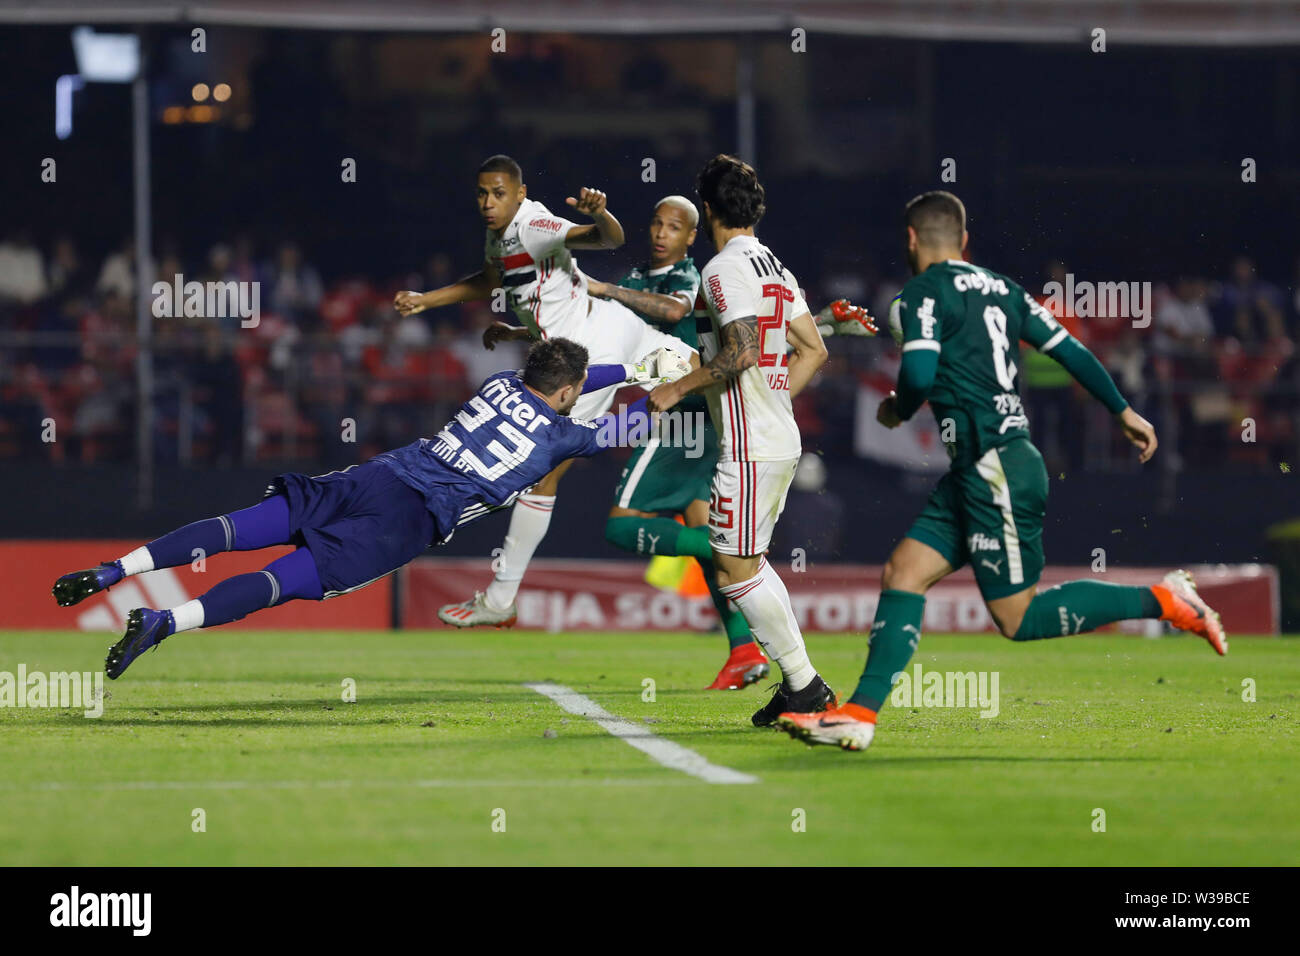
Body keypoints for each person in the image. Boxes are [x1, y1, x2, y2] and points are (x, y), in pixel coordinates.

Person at [777, 191, 1227, 753]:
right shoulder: (1004, 289)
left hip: (994, 468)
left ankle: (1165, 600)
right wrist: (1123, 411)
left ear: (911, 240)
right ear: (964, 241)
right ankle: (859, 716)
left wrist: (895, 407)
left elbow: (917, 374)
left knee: (1019, 618)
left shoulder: (920, 293)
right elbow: (1072, 350)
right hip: (982, 467)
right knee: (904, 571)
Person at [52, 339, 678, 678]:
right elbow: (616, 429)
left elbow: (560, 377)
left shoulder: (499, 384)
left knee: (243, 526)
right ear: (569, 393)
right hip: (409, 520)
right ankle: (167, 623)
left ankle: (116, 569)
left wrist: (626, 369)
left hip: (380, 473)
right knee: (284, 580)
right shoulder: (563, 436)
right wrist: (661, 383)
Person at [393, 154, 699, 626]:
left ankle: (499, 600)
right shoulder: (499, 235)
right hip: (617, 327)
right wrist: (429, 300)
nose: (489, 203)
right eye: (482, 193)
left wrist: (598, 214)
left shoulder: (534, 222)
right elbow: (496, 281)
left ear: (518, 194)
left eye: (498, 194)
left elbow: (605, 238)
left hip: (592, 349)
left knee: (544, 471)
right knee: (701, 368)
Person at [647, 154, 837, 727]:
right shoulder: (774, 264)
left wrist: (677, 387)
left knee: (732, 566)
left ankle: (805, 685)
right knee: (743, 563)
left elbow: (741, 352)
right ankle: (800, 684)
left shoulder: (724, 268)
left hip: (751, 444)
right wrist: (774, 403)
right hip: (773, 436)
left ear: (706, 210)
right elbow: (815, 348)